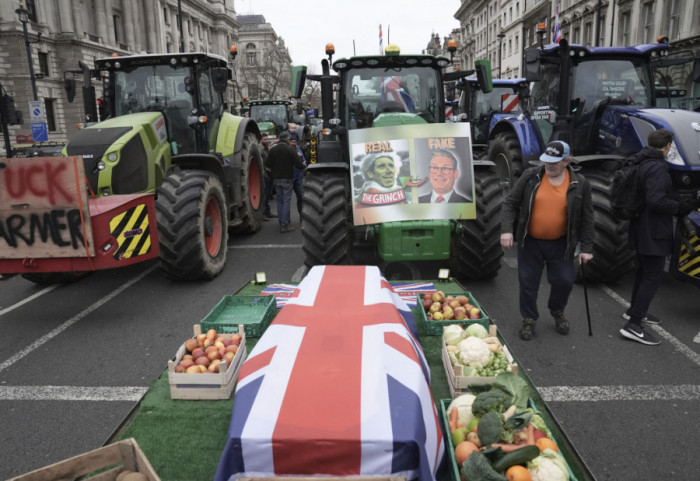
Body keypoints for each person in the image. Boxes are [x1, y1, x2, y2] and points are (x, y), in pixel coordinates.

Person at [500, 140, 594, 340]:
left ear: (567, 161)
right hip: (531, 241)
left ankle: (556, 309)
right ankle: (529, 319)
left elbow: (587, 217)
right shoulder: (531, 177)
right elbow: (510, 203)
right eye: (546, 161)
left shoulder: (580, 184)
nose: (549, 166)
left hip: (561, 243)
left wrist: (586, 247)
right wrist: (507, 230)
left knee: (565, 281)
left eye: (554, 162)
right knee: (528, 282)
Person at [621, 129, 698, 345]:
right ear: (667, 146)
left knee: (643, 272)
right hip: (653, 230)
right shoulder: (657, 168)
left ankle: (634, 311)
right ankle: (634, 325)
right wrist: (681, 207)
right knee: (652, 276)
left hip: (640, 226)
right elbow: (656, 201)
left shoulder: (641, 162)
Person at [266, 131, 306, 233]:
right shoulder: (290, 150)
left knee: (280, 201)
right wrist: (304, 165)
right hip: (287, 179)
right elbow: (299, 165)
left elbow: (267, 164)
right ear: (288, 140)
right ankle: (284, 225)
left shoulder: (273, 150)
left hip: (276, 179)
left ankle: (281, 221)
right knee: (286, 202)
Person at [259, 133, 275, 221]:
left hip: (269, 173)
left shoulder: (267, 148)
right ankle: (263, 214)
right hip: (265, 174)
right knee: (264, 194)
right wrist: (264, 174)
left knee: (268, 194)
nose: (266, 141)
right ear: (260, 140)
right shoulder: (260, 149)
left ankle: (268, 212)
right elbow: (261, 164)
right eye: (264, 139)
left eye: (267, 139)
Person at [290, 136, 307, 217]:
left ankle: (301, 215)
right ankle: (286, 219)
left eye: (295, 142)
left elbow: (304, 161)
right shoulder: (287, 150)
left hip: (298, 177)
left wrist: (300, 158)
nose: (294, 144)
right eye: (292, 142)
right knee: (287, 200)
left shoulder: (298, 149)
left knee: (300, 197)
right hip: (289, 178)